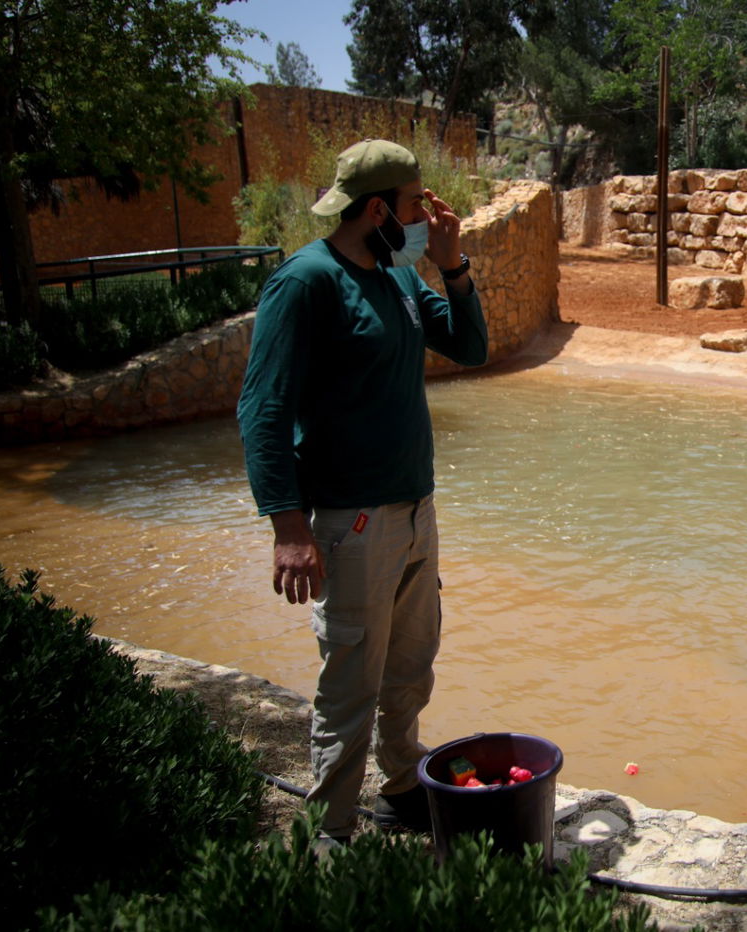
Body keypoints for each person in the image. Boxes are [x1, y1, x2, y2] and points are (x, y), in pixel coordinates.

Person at [236, 138, 488, 848]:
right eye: (415, 207)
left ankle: (403, 786)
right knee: (351, 684)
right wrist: (289, 528)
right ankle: (332, 834)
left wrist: (452, 267)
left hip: (415, 509)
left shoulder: (401, 278)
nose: (424, 217)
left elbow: (470, 349)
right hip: (352, 522)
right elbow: (262, 409)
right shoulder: (307, 282)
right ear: (376, 209)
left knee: (410, 667)